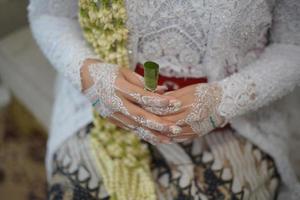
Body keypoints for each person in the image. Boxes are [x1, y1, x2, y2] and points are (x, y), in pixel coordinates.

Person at [28, 0, 300, 199]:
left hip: (236, 121)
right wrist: (90, 76)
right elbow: (50, 14)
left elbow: (292, 44)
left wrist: (226, 100)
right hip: (103, 112)